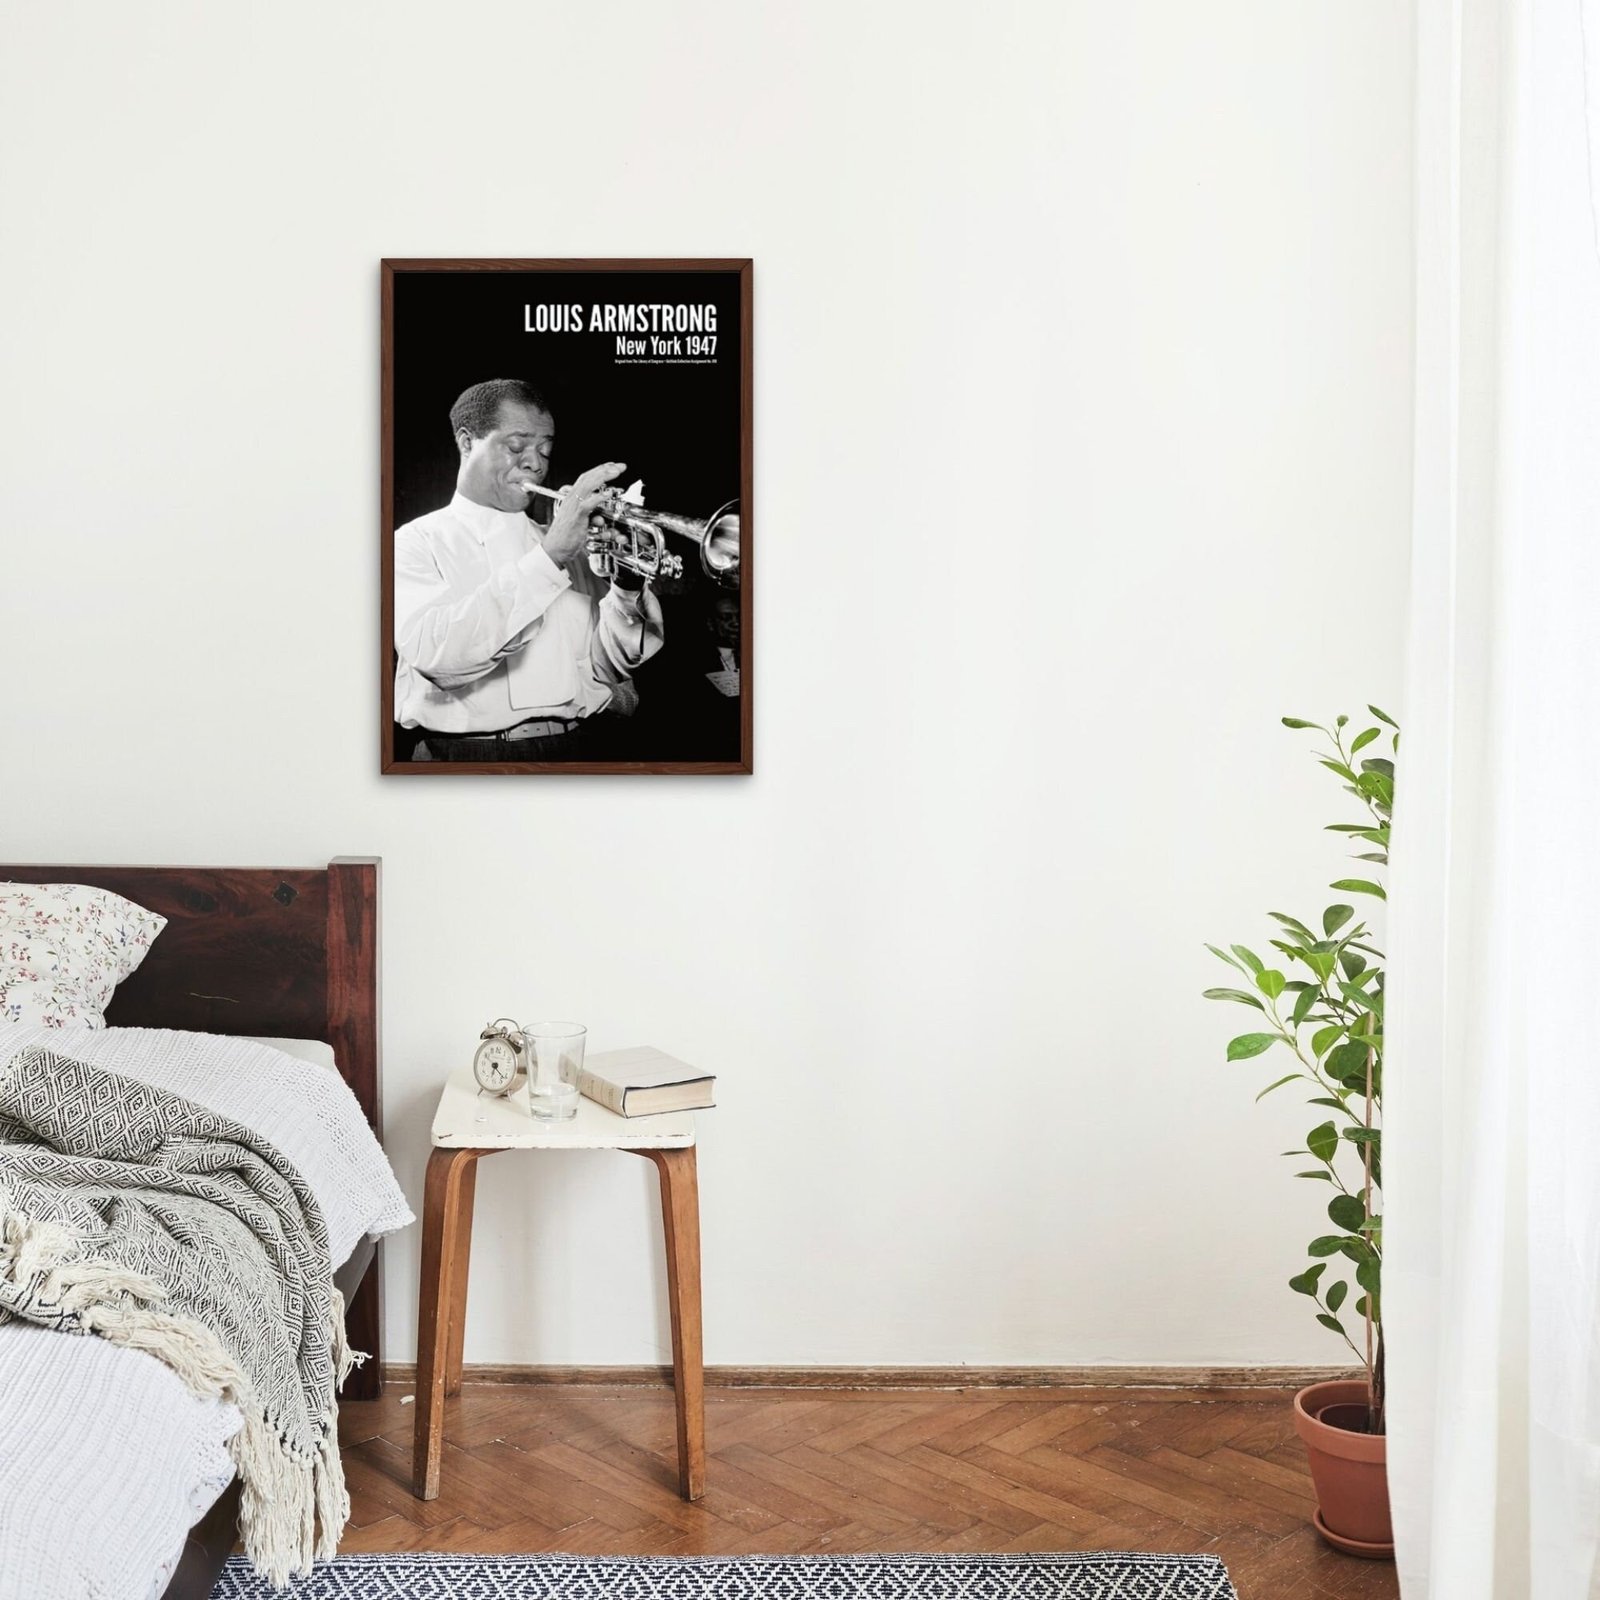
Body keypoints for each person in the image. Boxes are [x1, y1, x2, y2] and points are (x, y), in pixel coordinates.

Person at [393, 378, 664, 760]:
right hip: (464, 755)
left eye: (545, 450)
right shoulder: (414, 541)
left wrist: (626, 584)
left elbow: (608, 668)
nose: (535, 463)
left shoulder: (569, 545)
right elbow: (439, 657)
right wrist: (550, 557)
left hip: (575, 746)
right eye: (516, 446)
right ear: (467, 442)